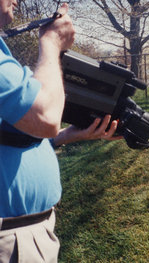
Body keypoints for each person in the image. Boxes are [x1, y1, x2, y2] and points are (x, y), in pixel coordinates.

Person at [0, 1, 122, 262]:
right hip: (11, 240)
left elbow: (13, 131)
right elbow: (45, 116)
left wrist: (69, 135)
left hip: (23, 233)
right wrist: (52, 43)